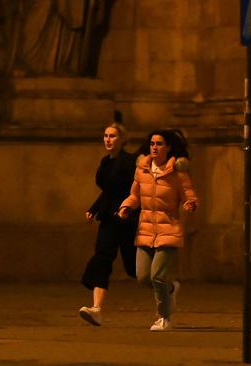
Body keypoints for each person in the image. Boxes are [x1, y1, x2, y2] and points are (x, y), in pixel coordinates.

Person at [118, 129, 198, 331]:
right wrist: (125, 206)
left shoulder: (177, 172)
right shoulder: (142, 170)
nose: (155, 147)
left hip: (169, 228)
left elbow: (190, 195)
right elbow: (135, 195)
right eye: (152, 143)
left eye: (159, 144)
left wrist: (190, 204)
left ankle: (164, 317)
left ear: (168, 147)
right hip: (145, 229)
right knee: (143, 277)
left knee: (157, 276)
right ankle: (170, 289)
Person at [79, 122, 139, 326]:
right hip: (108, 219)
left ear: (122, 140)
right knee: (102, 258)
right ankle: (96, 308)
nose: (108, 139)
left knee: (133, 267)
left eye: (112, 136)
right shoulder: (106, 163)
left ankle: (166, 288)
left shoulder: (130, 162)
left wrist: (127, 209)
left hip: (126, 219)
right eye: (105, 136)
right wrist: (93, 209)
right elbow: (107, 191)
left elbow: (134, 191)